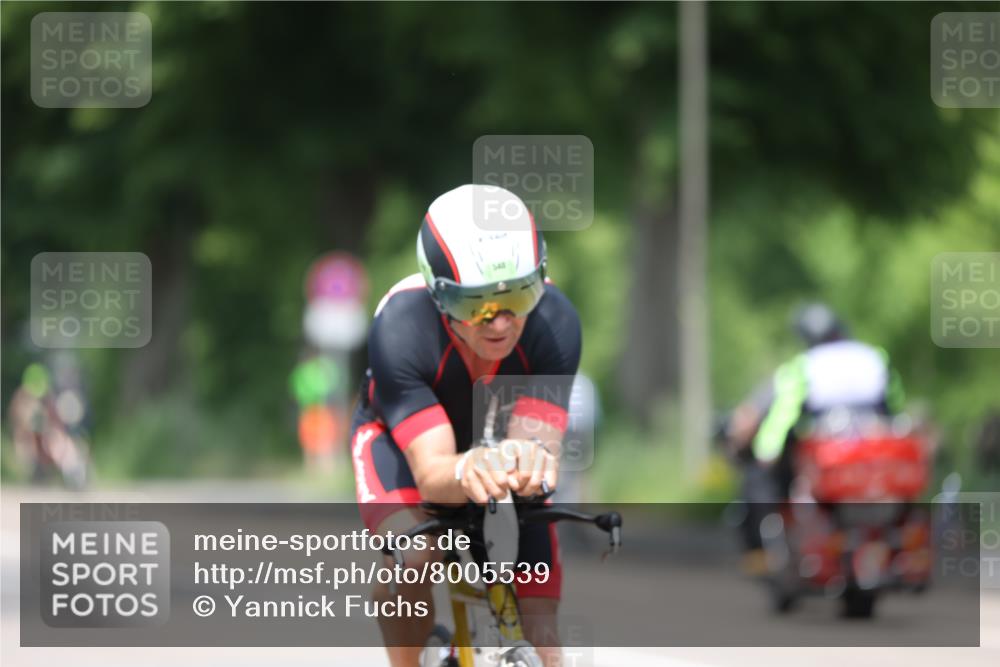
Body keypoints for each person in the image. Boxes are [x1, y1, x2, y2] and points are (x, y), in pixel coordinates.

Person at [350, 184, 581, 667]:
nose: (499, 323)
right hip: (401, 446)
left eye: (518, 295)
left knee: (544, 638)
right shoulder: (400, 326)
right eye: (474, 305)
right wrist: (466, 470)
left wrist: (530, 461)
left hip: (492, 437)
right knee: (412, 561)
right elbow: (433, 471)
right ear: (438, 295)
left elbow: (536, 452)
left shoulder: (555, 322)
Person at [726, 303, 905, 564]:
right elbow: (895, 407)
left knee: (767, 486)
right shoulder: (875, 357)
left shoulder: (804, 366)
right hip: (877, 453)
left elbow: (783, 415)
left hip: (828, 455)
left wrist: (767, 454)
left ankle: (765, 556)